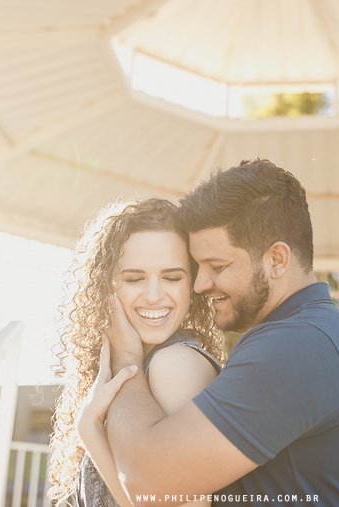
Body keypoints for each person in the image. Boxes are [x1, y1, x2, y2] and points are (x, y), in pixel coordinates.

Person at [104, 159, 339, 506]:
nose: (200, 284)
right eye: (198, 267)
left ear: (276, 260)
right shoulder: (311, 335)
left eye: (217, 266)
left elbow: (149, 481)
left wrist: (126, 360)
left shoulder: (298, 346)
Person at [48, 199, 225, 507]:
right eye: (134, 278)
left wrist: (90, 430)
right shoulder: (120, 368)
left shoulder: (175, 364)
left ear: (192, 285)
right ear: (104, 286)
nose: (154, 295)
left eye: (172, 277)